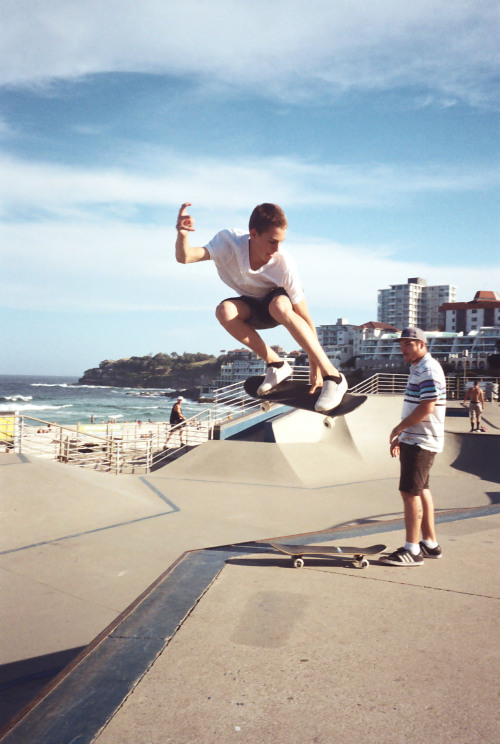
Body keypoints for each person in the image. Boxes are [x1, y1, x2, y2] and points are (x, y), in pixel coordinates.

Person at [175, 202, 347, 412]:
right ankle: (276, 365)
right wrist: (183, 235)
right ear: (253, 234)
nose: (276, 250)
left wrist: (317, 368)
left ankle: (335, 378)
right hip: (253, 306)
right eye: (272, 242)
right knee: (224, 311)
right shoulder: (227, 242)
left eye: (280, 243)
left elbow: (305, 318)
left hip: (277, 305)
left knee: (278, 306)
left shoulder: (284, 264)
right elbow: (185, 257)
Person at [381, 327, 446, 566]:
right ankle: (430, 544)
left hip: (421, 440)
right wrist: (403, 434)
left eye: (408, 344)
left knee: (409, 493)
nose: (403, 349)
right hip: (416, 438)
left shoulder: (428, 369)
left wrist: (399, 428)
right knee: (421, 491)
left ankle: (412, 549)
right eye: (401, 345)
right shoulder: (418, 368)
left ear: (421, 344)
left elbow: (427, 407)